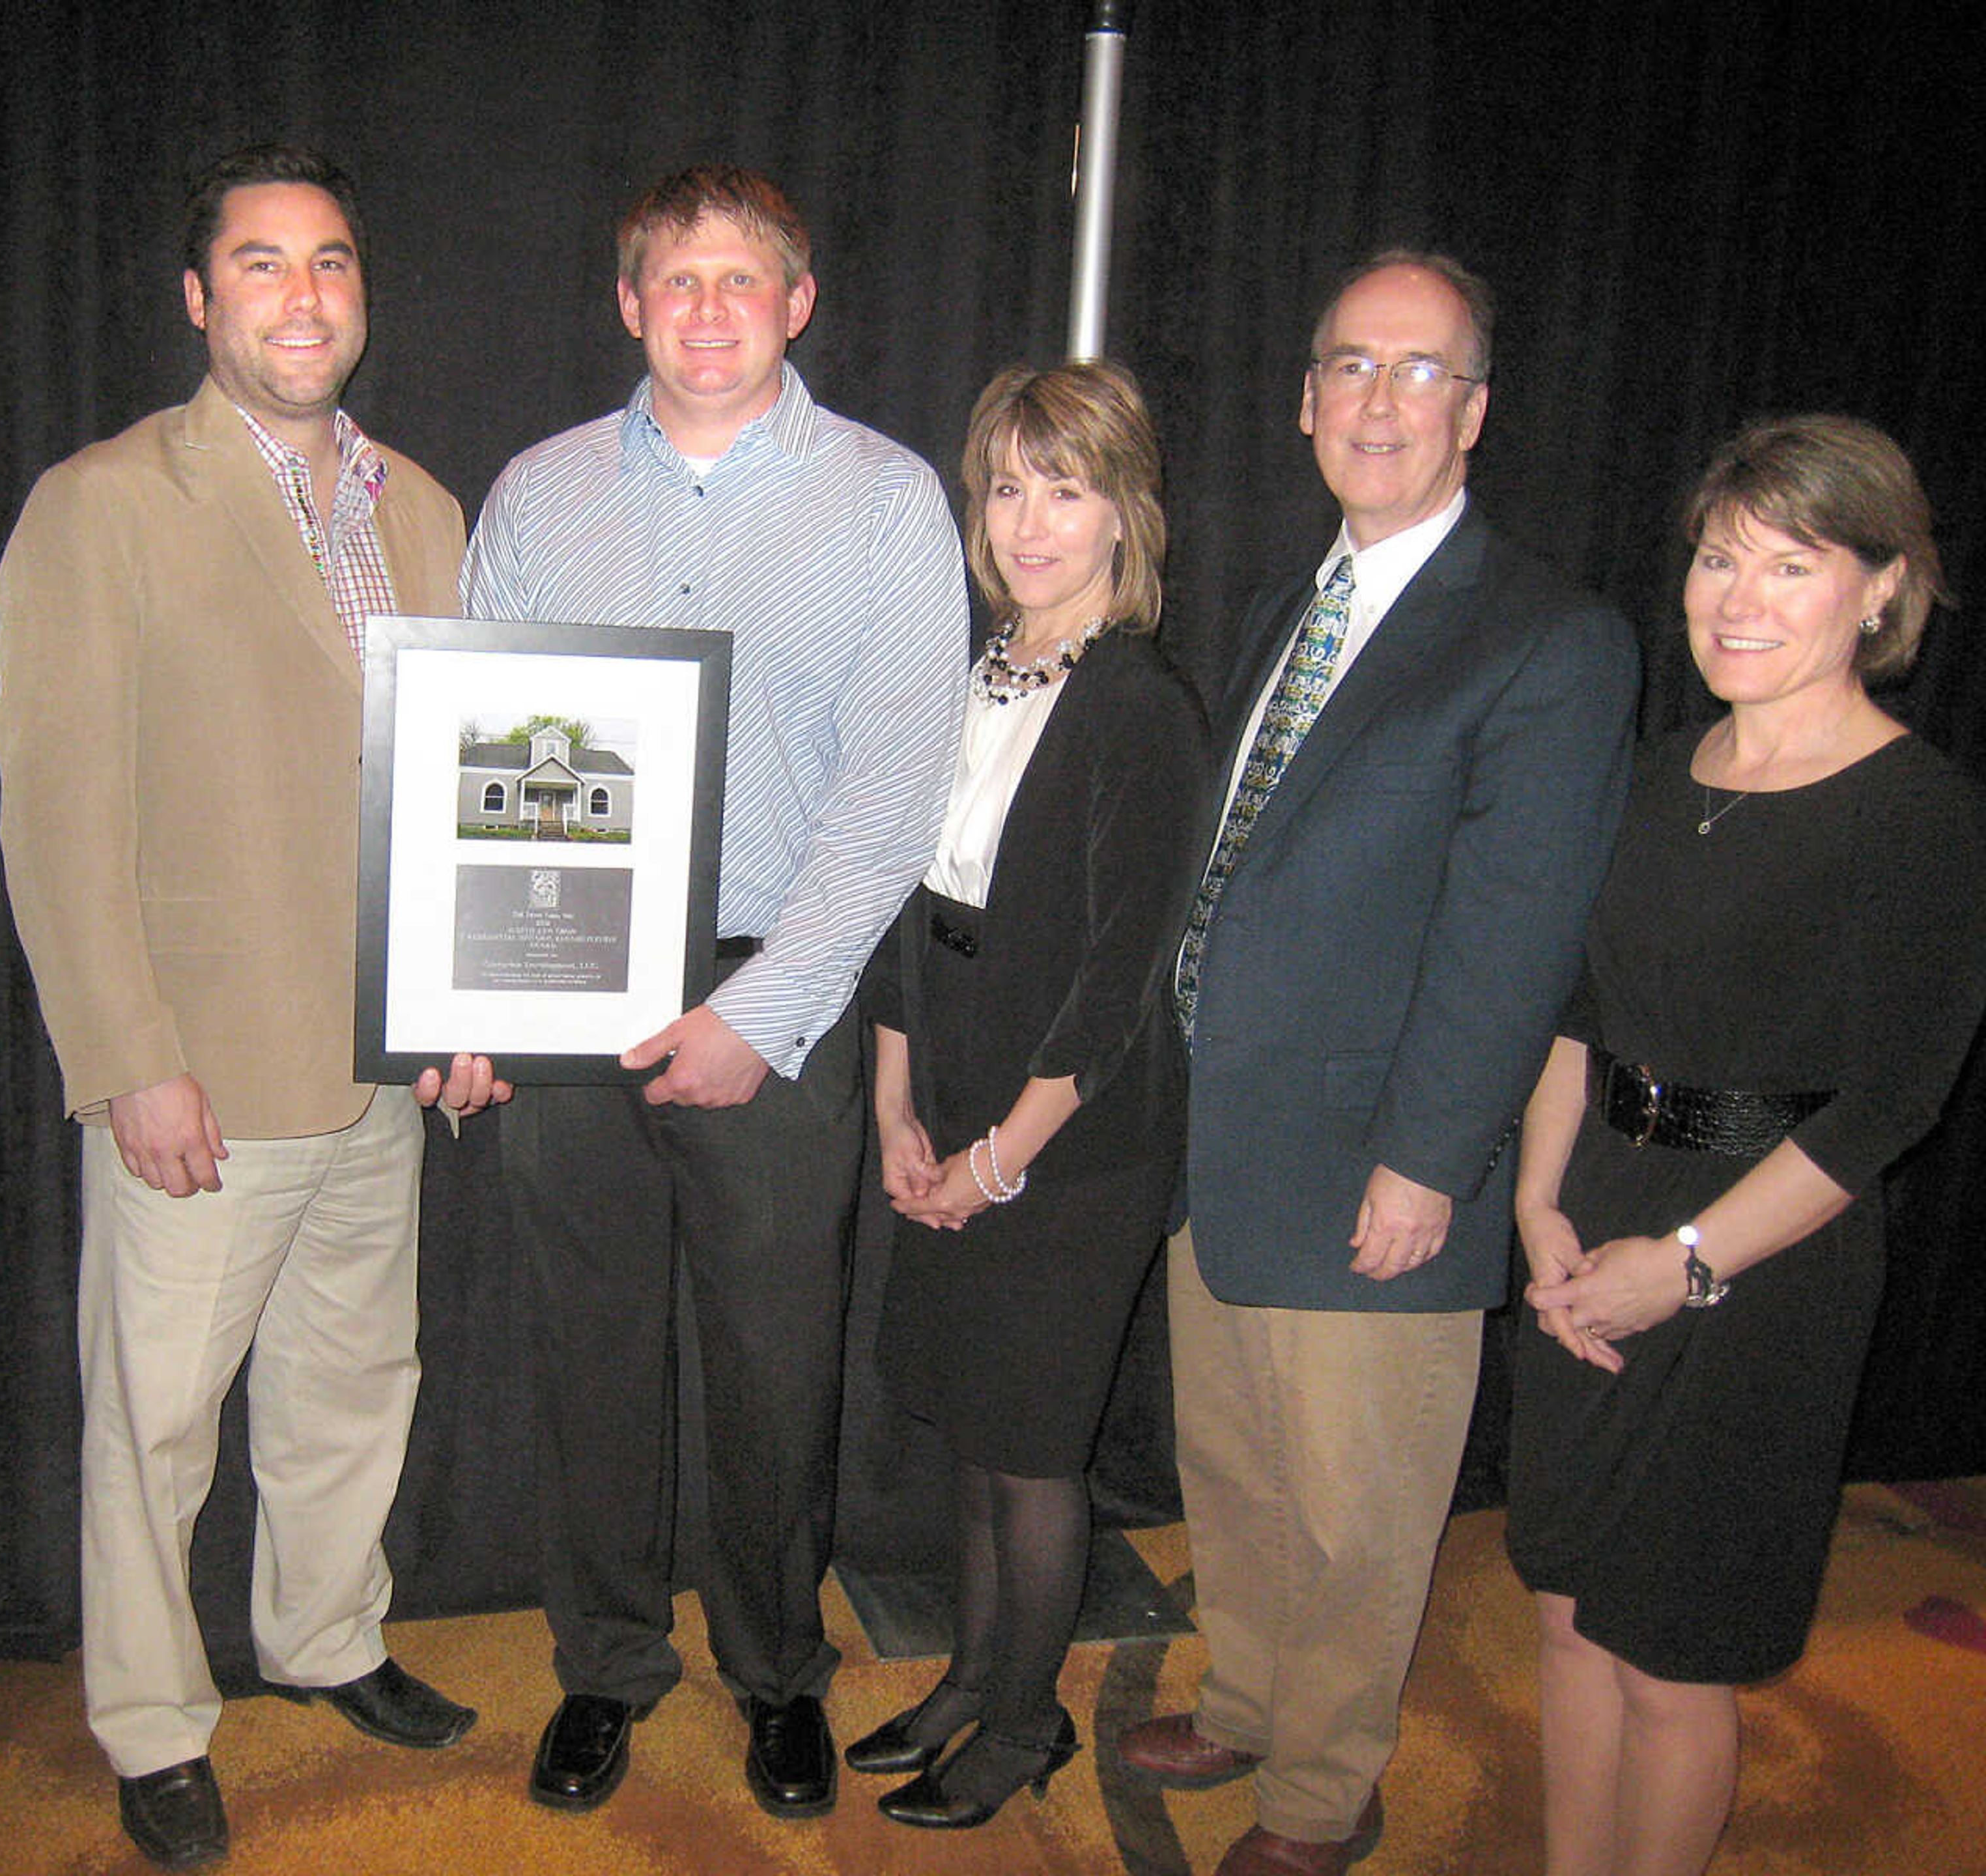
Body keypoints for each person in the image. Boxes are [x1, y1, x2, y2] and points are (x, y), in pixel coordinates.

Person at [0, 144, 502, 1871]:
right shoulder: (103, 503)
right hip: (202, 1068)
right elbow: (56, 812)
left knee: (357, 1378)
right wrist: (129, 1061)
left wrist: (467, 998)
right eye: (263, 266)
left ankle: (325, 1639)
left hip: (382, 1064)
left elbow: (466, 795)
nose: (304, 296)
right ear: (200, 299)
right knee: (156, 1419)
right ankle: (150, 1721)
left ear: (363, 295)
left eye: (332, 263)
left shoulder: (424, 510)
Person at [1113, 251, 1638, 1876]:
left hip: (1378, 1174)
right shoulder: (1288, 604)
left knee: (1358, 1519)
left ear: (1475, 412)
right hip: (1229, 1140)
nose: (1380, 401)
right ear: (1304, 401)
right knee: (1242, 1477)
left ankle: (1320, 1797)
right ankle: (1253, 1699)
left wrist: (1429, 1161)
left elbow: (1518, 941)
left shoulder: (1551, 641)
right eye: (1352, 366)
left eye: (1421, 373)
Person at [462, 164, 965, 1819]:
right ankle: (605, 1668)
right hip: (567, 993)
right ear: (629, 305)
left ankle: (775, 1676)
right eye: (675, 281)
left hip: (782, 996)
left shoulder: (889, 502)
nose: (707, 311)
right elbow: (484, 768)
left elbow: (895, 789)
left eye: (741, 281)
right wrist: (472, 991)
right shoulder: (535, 497)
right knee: (589, 1357)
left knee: (775, 1371)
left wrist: (763, 1015)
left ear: (797, 305)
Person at [1505, 416, 1986, 1876]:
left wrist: (1692, 1264)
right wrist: (1536, 1207)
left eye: (1792, 566)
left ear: (1882, 593)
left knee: (1670, 1654)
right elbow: (1576, 1013)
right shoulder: (1659, 771)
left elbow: (1895, 1100)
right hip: (1593, 1216)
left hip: (1762, 1262)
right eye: (1721, 559)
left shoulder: (1919, 814)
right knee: (1567, 1612)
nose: (1737, 598)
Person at [849, 361, 1210, 1829]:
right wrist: (894, 1104)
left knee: (1035, 1447)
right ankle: (974, 1680)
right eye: (1007, 484)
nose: (1032, 519)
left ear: (1127, 511)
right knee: (969, 1420)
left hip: (1073, 1139)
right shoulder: (969, 666)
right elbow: (903, 903)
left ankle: (1024, 1726)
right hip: (948, 1086)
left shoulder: (1140, 705)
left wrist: (1000, 1157)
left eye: (1068, 486)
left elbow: (1121, 977)